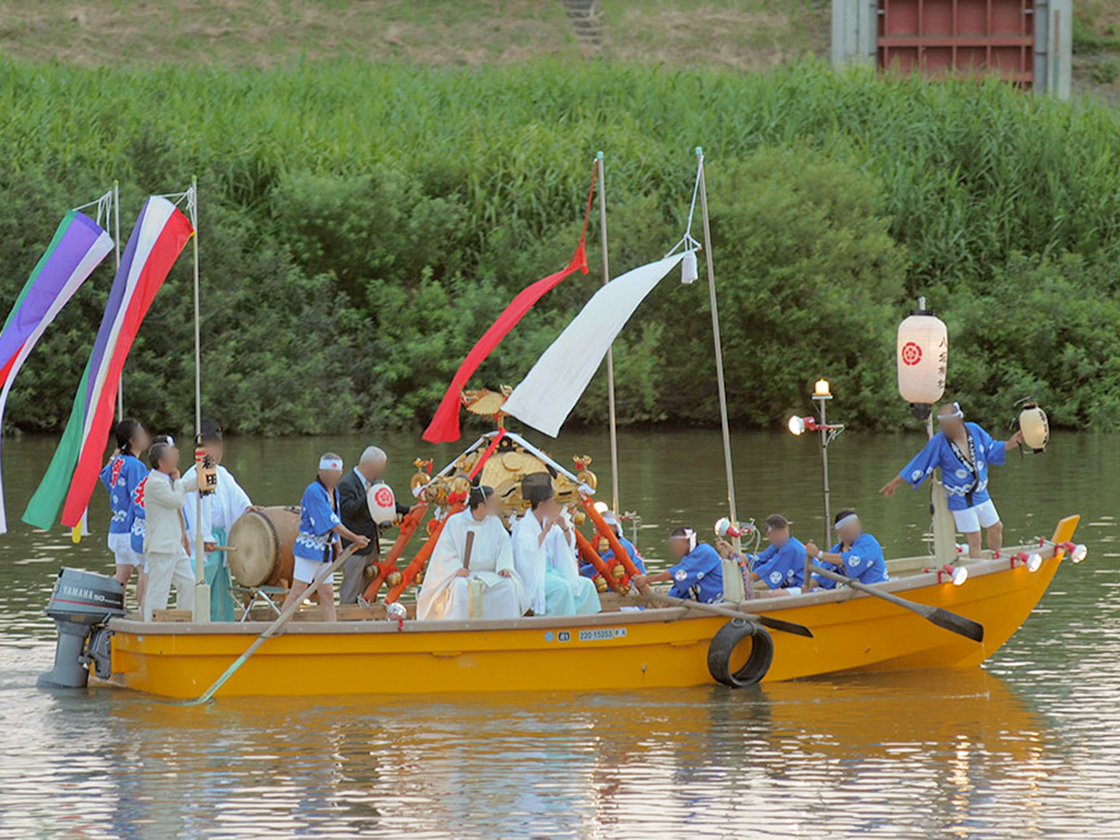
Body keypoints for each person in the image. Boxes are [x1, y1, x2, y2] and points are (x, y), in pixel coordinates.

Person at [879, 401, 1023, 558]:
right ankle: (977, 572)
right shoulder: (939, 441)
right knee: (975, 539)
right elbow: (921, 461)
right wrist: (896, 482)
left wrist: (1010, 444)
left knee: (996, 527)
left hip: (979, 491)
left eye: (948, 425)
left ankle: (996, 559)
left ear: (959, 420)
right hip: (958, 497)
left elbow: (991, 448)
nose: (945, 429)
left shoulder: (974, 430)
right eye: (942, 425)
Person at [417, 485, 527, 620]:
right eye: (492, 501)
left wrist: (503, 566)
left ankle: (504, 629)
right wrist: (456, 568)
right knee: (460, 587)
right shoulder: (455, 522)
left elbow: (504, 546)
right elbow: (446, 550)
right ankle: (461, 630)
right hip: (464, 575)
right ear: (481, 505)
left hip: (489, 575)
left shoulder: (495, 523)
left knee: (508, 586)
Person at [282, 453, 369, 622]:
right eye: (328, 474)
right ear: (320, 471)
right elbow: (330, 522)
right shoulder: (313, 491)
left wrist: (338, 545)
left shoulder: (333, 491)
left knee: (328, 594)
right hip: (309, 550)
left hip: (325, 551)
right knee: (298, 592)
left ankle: (332, 631)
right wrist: (354, 538)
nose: (332, 478)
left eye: (336, 475)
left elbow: (336, 518)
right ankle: (282, 628)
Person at [183, 419, 254, 621]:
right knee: (202, 587)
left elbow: (236, 498)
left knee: (221, 593)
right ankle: (200, 625)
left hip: (221, 539)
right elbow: (192, 508)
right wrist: (203, 536)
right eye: (215, 446)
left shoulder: (220, 473)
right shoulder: (194, 475)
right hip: (204, 541)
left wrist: (248, 509)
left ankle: (222, 625)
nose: (219, 451)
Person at [512, 484, 601, 616]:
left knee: (587, 585)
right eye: (551, 503)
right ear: (542, 505)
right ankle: (563, 626)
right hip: (536, 573)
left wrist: (565, 528)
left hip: (554, 570)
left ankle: (586, 625)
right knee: (562, 588)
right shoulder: (524, 525)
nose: (554, 506)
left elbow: (566, 545)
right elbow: (525, 553)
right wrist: (545, 531)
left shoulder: (550, 522)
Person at [338, 445, 410, 604]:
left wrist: (409, 510)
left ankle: (368, 622)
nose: (381, 472)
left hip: (372, 543)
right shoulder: (347, 484)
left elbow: (387, 503)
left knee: (370, 589)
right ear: (370, 466)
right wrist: (368, 496)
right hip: (355, 547)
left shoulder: (375, 483)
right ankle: (346, 624)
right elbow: (346, 511)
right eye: (380, 468)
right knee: (352, 589)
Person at [141, 438, 196, 622]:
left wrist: (208, 467)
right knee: (159, 590)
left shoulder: (170, 480)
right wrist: (179, 481)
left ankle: (183, 620)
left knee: (188, 582)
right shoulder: (154, 482)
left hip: (175, 545)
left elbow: (191, 485)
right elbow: (176, 500)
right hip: (161, 546)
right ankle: (151, 628)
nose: (176, 457)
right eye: (171, 455)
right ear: (162, 462)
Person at [99, 418, 151, 599]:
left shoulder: (117, 462)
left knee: (122, 575)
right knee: (146, 572)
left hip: (116, 528)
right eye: (142, 433)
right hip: (131, 529)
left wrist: (114, 455)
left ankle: (111, 609)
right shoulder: (136, 466)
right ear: (133, 440)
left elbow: (104, 476)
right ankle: (144, 612)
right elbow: (139, 499)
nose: (146, 436)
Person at [129, 433, 172, 615]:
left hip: (136, 533)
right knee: (151, 583)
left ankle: (141, 612)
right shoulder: (163, 481)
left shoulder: (144, 479)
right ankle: (146, 621)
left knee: (143, 576)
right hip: (151, 535)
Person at [633, 527, 724, 603]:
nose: (674, 547)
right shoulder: (687, 560)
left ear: (689, 542)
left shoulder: (704, 552)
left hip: (720, 600)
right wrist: (666, 604)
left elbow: (677, 574)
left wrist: (646, 579)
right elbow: (680, 586)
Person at [719, 514, 806, 592]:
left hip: (809, 587)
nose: (780, 537)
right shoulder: (776, 547)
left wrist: (743, 580)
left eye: (782, 532)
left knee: (775, 594)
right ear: (768, 535)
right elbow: (757, 560)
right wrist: (733, 551)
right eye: (776, 534)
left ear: (787, 529)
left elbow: (768, 569)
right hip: (798, 586)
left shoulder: (790, 548)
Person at [806, 509, 887, 590]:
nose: (856, 530)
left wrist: (819, 554)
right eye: (851, 527)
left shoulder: (868, 542)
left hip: (876, 590)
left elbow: (851, 560)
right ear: (839, 531)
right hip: (852, 593)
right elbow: (822, 576)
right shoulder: (835, 551)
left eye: (857, 525)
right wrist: (807, 587)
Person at [579, 508, 647, 580]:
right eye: (597, 529)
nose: (599, 532)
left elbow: (601, 564)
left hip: (632, 582)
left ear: (614, 528)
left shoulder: (621, 545)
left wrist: (582, 572)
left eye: (602, 528)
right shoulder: (601, 543)